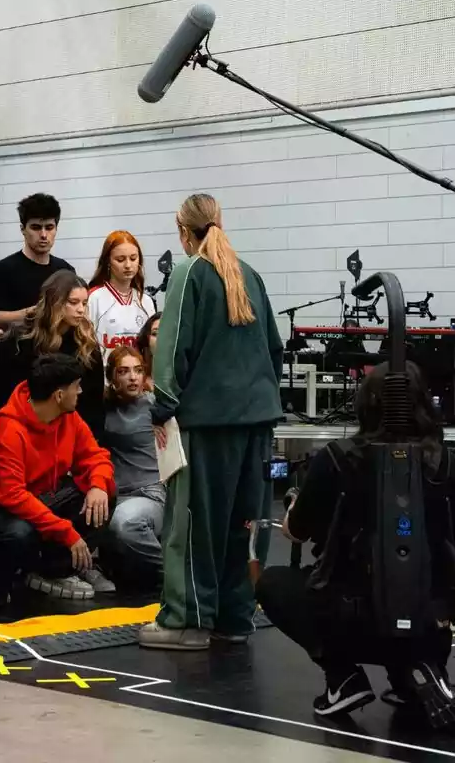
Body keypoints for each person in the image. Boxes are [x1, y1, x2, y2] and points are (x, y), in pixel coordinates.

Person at [255, 363, 455, 730]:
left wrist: (296, 508)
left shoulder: (337, 458)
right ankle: (416, 671)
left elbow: (298, 531)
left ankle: (343, 677)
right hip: (427, 622)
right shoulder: (446, 464)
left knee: (272, 583)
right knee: (413, 608)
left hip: (349, 620)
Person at [138, 193, 284, 651]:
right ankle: (235, 619)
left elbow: (173, 347)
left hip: (206, 425)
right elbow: (276, 349)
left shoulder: (188, 273)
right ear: (219, 222)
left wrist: (162, 407)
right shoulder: (250, 275)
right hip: (257, 421)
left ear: (183, 230)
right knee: (245, 524)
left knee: (194, 524)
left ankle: (187, 621)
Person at [0, 354, 116, 599]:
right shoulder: (8, 431)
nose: (81, 391)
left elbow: (95, 456)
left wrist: (98, 485)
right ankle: (17, 574)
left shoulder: (68, 417)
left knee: (104, 495)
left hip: (46, 498)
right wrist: (67, 532)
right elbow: (14, 496)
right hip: (8, 510)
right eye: (76, 386)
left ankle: (59, 569)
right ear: (59, 395)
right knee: (18, 533)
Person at [0, 270, 105, 436]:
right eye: (73, 302)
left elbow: (95, 398)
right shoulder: (23, 339)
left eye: (84, 303)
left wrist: (94, 436)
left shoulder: (86, 343)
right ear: (55, 302)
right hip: (27, 429)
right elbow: (4, 391)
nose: (81, 310)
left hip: (74, 431)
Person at [103, 347, 166, 588]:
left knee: (125, 523)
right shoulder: (103, 407)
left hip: (151, 493)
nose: (133, 377)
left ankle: (176, 577)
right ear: (112, 377)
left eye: (138, 371)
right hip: (114, 494)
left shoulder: (155, 405)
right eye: (124, 371)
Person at [0, 193, 74, 331]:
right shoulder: (5, 270)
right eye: (36, 227)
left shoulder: (65, 270)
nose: (44, 235)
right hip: (19, 349)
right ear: (23, 229)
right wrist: (30, 314)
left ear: (56, 229)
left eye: (49, 227)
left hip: (59, 348)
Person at [88, 230, 156, 367]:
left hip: (138, 383)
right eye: (120, 259)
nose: (128, 265)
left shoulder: (146, 301)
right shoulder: (94, 298)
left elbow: (152, 348)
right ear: (108, 261)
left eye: (133, 258)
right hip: (105, 383)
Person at [135, 312, 162, 391]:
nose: (161, 338)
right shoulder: (135, 378)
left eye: (167, 333)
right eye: (155, 333)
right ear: (147, 339)